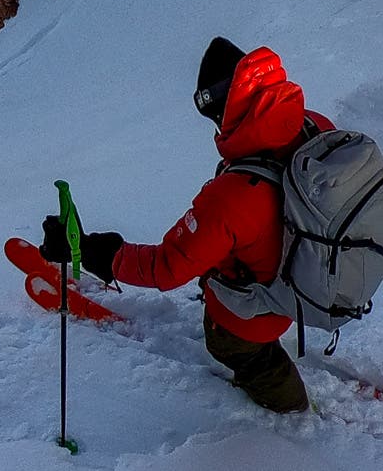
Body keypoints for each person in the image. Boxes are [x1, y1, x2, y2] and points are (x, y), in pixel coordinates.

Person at [40, 38, 330, 414]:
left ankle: (290, 412)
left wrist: (93, 250)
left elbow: (166, 267)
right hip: (307, 274)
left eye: (215, 114)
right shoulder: (312, 125)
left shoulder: (234, 195)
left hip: (254, 315)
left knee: (238, 349)